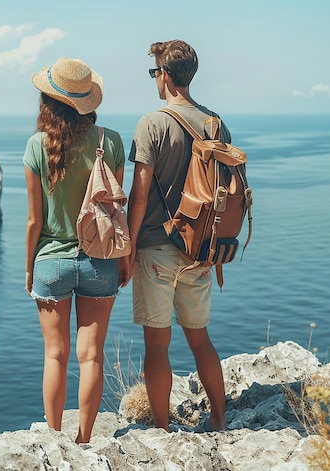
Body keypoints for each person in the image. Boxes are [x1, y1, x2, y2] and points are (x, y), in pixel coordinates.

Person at [23, 57, 131, 444]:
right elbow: (118, 209)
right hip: (101, 259)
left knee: (55, 355)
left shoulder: (37, 145)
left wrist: (28, 268)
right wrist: (126, 258)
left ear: (49, 102)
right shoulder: (111, 141)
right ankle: (84, 441)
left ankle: (53, 441)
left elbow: (35, 221)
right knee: (92, 357)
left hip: (50, 261)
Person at [126, 40, 228, 433]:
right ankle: (219, 419)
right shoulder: (215, 122)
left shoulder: (152, 123)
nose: (156, 79)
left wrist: (129, 245)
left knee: (157, 346)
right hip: (201, 249)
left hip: (155, 249)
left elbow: (139, 194)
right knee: (200, 340)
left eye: (156, 72)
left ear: (165, 75)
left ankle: (162, 429)